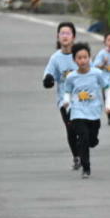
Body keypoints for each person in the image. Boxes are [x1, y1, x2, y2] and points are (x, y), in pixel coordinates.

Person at [61, 43, 110, 179]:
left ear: (89, 58)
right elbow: (67, 91)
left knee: (92, 140)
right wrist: (66, 101)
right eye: (79, 58)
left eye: (85, 57)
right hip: (77, 111)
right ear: (74, 60)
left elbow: (107, 88)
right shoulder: (71, 76)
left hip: (94, 112)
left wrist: (109, 104)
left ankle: (91, 140)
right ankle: (86, 167)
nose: (82, 60)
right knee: (83, 137)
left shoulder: (97, 73)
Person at [43, 21, 81, 169]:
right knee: (71, 128)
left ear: (73, 37)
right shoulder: (55, 58)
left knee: (83, 129)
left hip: (83, 99)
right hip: (64, 101)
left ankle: (83, 148)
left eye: (68, 33)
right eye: (62, 33)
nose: (65, 36)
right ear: (58, 37)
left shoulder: (80, 55)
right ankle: (77, 156)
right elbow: (48, 76)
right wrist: (49, 81)